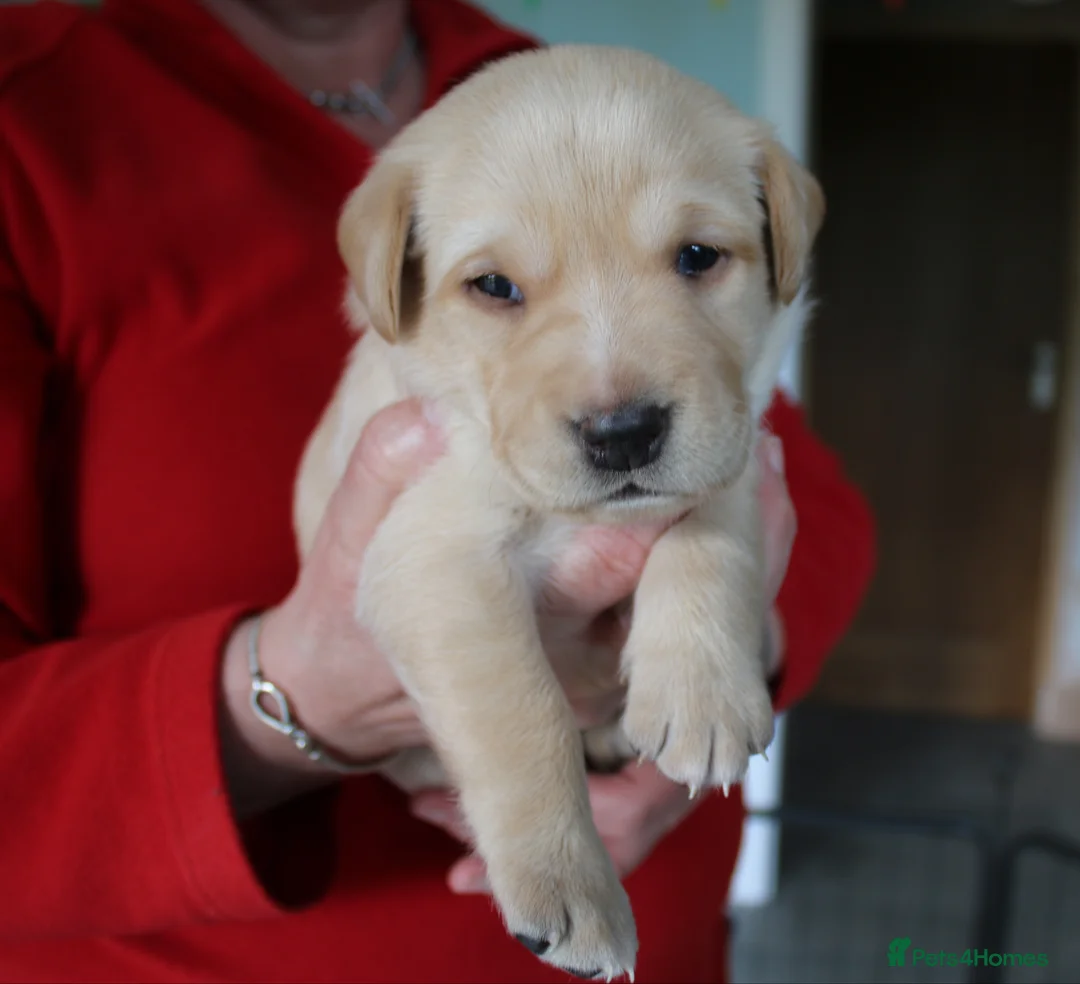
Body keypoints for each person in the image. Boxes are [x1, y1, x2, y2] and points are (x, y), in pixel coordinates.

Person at [0, 0, 876, 980]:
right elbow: (438, 576)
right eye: (497, 288)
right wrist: (305, 700)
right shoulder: (31, 112)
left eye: (696, 258)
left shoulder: (558, 87)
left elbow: (802, 497)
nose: (615, 402)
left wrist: (716, 661)